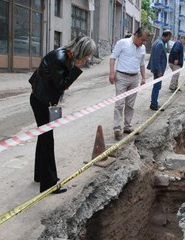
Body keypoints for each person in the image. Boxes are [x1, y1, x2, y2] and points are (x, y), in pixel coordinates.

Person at [29, 36, 96, 193]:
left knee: (44, 137)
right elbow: (62, 84)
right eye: (87, 56)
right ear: (81, 51)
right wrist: (77, 68)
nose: (87, 59)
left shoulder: (65, 55)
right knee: (47, 140)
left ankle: (41, 175)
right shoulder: (60, 58)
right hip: (41, 102)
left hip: (44, 100)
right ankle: (49, 184)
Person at [109, 27, 150, 140]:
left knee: (130, 104)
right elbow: (113, 58)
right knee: (119, 103)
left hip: (134, 78)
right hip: (121, 77)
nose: (143, 42)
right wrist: (112, 73)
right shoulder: (122, 43)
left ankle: (128, 126)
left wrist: (143, 78)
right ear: (135, 35)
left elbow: (142, 64)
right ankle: (117, 128)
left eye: (145, 41)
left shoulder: (142, 48)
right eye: (142, 40)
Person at [147, 29, 172, 110]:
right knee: (157, 87)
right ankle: (154, 104)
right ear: (167, 36)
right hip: (158, 70)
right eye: (169, 37)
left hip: (158, 69)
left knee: (157, 86)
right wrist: (159, 71)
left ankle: (154, 103)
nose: (169, 39)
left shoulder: (158, 42)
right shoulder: (160, 44)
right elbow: (157, 59)